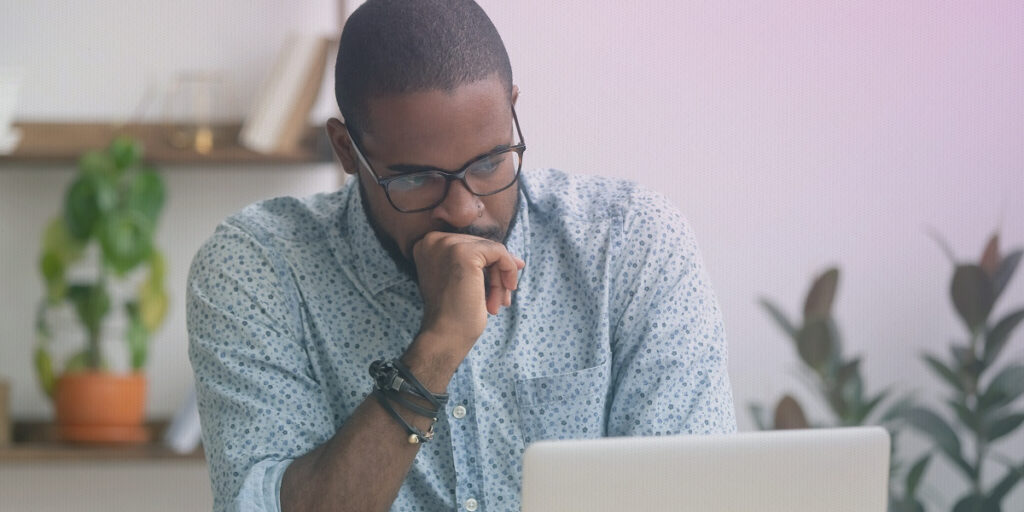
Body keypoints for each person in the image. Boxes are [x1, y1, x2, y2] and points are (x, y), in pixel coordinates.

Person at [186, 0, 737, 510]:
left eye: (490, 162)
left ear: (513, 112)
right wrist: (437, 346)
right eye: (418, 179)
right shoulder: (257, 267)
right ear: (346, 150)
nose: (465, 209)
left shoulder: (627, 244)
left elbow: (691, 493)